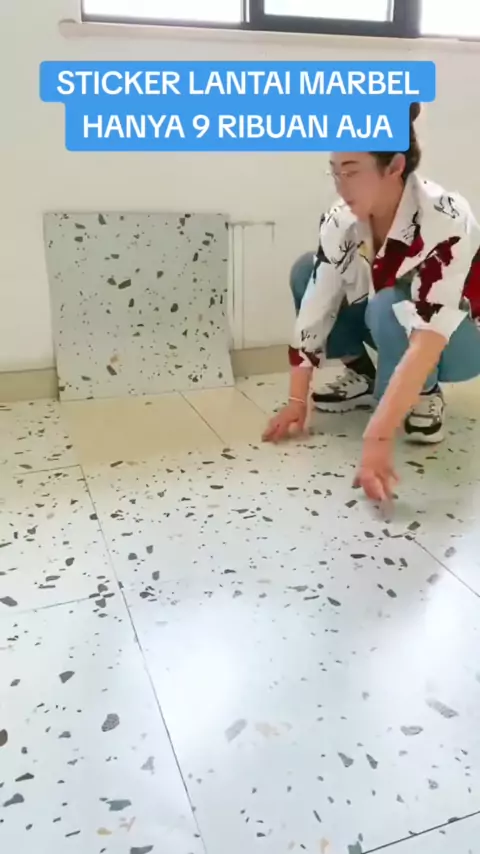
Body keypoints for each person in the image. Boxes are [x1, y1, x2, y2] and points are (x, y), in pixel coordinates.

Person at [263, 103, 480, 503]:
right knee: (307, 270)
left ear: (394, 166)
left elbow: (430, 335)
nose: (340, 186)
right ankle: (363, 376)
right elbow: (317, 301)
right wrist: (296, 399)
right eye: (334, 172)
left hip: (459, 340)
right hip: (395, 320)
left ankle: (425, 393)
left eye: (351, 171)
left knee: (387, 304)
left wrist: (378, 437)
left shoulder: (445, 217)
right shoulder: (342, 219)